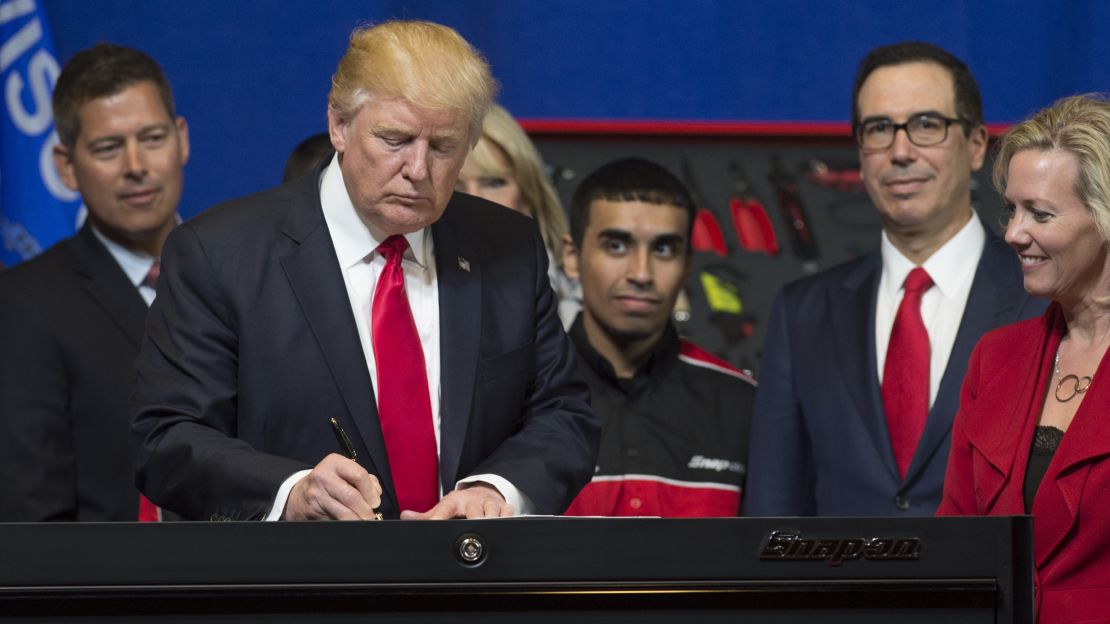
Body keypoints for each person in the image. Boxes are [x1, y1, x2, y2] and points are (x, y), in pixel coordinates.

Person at [129, 20, 599, 522]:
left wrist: (497, 489)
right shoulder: (219, 253)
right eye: (394, 139)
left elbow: (563, 412)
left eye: (443, 147)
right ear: (339, 125)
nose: (418, 169)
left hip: (471, 580)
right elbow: (167, 436)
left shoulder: (507, 244)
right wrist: (290, 492)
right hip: (299, 584)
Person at [745, 41, 1046, 516]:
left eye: (927, 125)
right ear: (860, 154)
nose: (900, 151)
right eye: (879, 129)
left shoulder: (1044, 296)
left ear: (975, 146)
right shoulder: (802, 312)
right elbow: (772, 512)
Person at [938, 94, 1110, 621]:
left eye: (1040, 213)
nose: (1013, 233)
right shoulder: (996, 357)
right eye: (1011, 209)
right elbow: (954, 541)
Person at [0, 44, 189, 521]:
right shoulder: (25, 305)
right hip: (115, 588)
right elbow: (33, 515)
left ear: (181, 139)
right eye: (108, 147)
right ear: (66, 166)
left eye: (151, 137)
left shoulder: (242, 273)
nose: (135, 165)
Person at [559, 158, 755, 517]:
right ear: (571, 256)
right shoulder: (519, 396)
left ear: (687, 264)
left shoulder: (743, 403)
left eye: (664, 249)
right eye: (617, 245)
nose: (642, 273)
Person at [455, 103, 580, 326]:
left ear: (528, 197)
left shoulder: (583, 311)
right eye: (456, 185)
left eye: (494, 183)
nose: (474, 199)